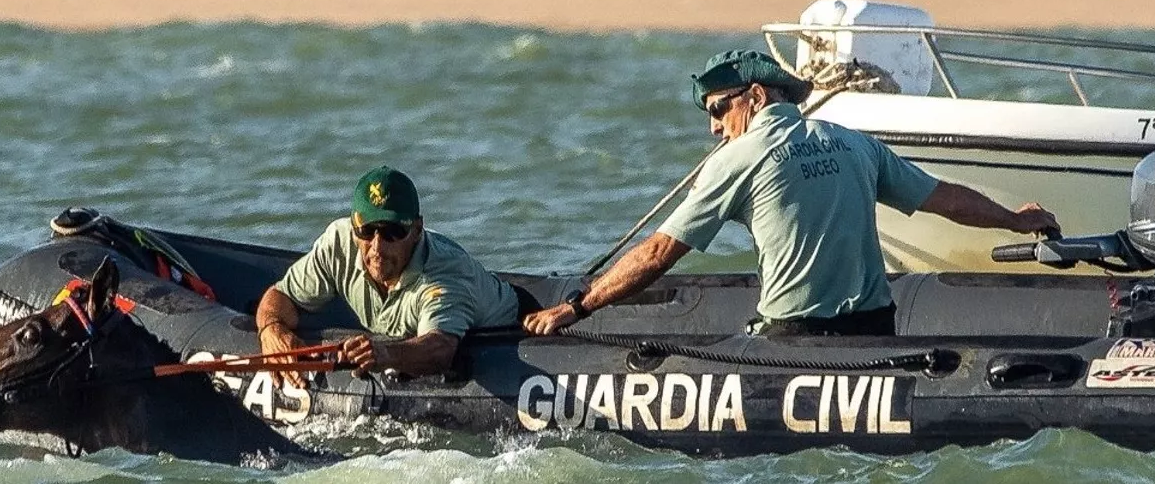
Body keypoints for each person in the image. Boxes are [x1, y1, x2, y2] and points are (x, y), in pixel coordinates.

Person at [525, 49, 1061, 338]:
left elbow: (660, 253)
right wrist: (1014, 220)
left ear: (755, 97)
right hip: (875, 330)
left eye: (717, 110)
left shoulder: (737, 159)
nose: (714, 128)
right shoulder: (853, 143)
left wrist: (578, 305)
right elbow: (944, 198)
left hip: (798, 337)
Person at [256, 166, 525, 381]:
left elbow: (439, 349)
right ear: (353, 227)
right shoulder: (338, 243)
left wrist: (385, 354)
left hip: (504, 334)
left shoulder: (444, 273)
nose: (377, 246)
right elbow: (280, 296)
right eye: (366, 230)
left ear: (417, 229)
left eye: (392, 232)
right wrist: (271, 329)